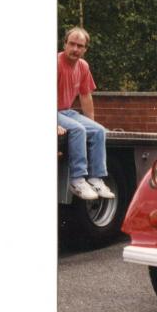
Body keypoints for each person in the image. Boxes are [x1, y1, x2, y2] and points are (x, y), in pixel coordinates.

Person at [57, 27, 114, 201]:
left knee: (98, 131)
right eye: (72, 44)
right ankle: (77, 180)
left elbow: (85, 95)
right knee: (78, 129)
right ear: (64, 44)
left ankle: (96, 179)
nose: (75, 49)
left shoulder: (83, 66)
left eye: (80, 46)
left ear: (85, 49)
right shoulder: (56, 64)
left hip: (66, 111)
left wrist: (92, 124)